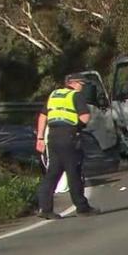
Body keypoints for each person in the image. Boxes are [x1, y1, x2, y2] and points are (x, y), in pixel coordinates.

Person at [35, 74, 100, 219]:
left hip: (52, 138)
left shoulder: (54, 95)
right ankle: (82, 208)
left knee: (52, 173)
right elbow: (85, 117)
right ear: (74, 83)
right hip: (69, 137)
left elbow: (43, 116)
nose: (83, 87)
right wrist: (79, 127)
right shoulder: (76, 96)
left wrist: (39, 138)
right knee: (74, 172)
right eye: (82, 84)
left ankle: (45, 208)